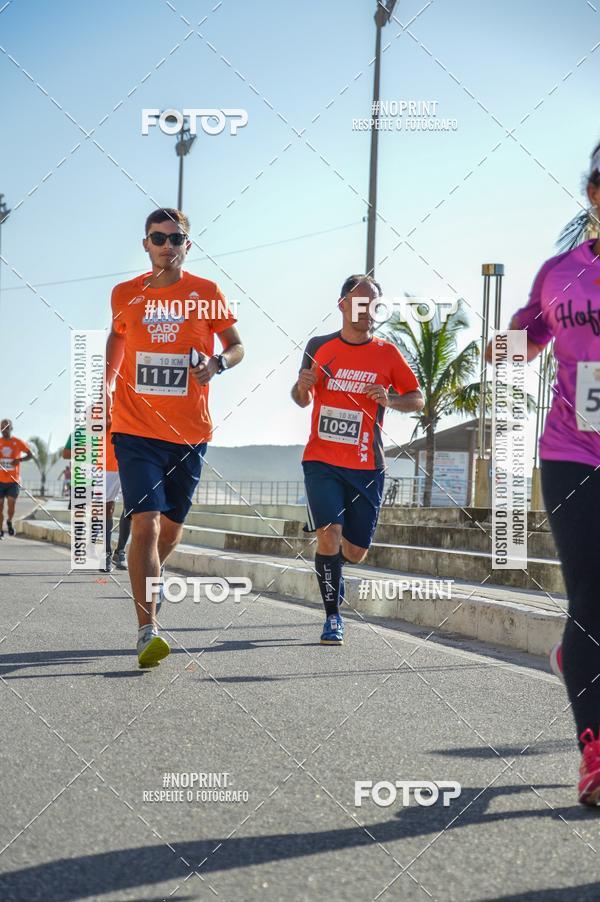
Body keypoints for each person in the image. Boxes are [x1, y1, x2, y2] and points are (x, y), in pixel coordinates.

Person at [485, 140, 600, 805]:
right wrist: (500, 341)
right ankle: (595, 749)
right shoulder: (561, 274)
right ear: (593, 194)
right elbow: (526, 341)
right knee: (590, 595)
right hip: (572, 454)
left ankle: (577, 657)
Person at [106, 208, 243, 668]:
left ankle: (153, 584)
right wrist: (107, 384)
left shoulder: (206, 294)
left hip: (188, 433)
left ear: (188, 244)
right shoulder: (126, 295)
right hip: (134, 427)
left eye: (176, 237)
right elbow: (117, 336)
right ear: (145, 244)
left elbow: (237, 345)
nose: (167, 245)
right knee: (144, 522)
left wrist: (217, 364)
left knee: (169, 531)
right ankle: (148, 631)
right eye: (158, 237)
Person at [291, 274, 423, 645]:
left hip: (366, 465)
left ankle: (335, 569)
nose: (368, 311)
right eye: (361, 303)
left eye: (374, 305)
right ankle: (333, 617)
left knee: (356, 552)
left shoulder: (386, 353)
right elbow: (301, 398)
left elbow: (417, 398)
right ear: (343, 305)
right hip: (321, 459)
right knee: (329, 534)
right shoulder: (319, 346)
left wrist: (389, 400)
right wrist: (302, 386)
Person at [0, 419, 33, 538]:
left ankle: (9, 521)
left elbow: (30, 455)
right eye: (2, 428)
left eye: (6, 428)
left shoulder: (18, 442)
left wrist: (19, 460)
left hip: (13, 481)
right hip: (0, 481)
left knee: (11, 505)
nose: (4, 430)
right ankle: (0, 530)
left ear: (11, 428)